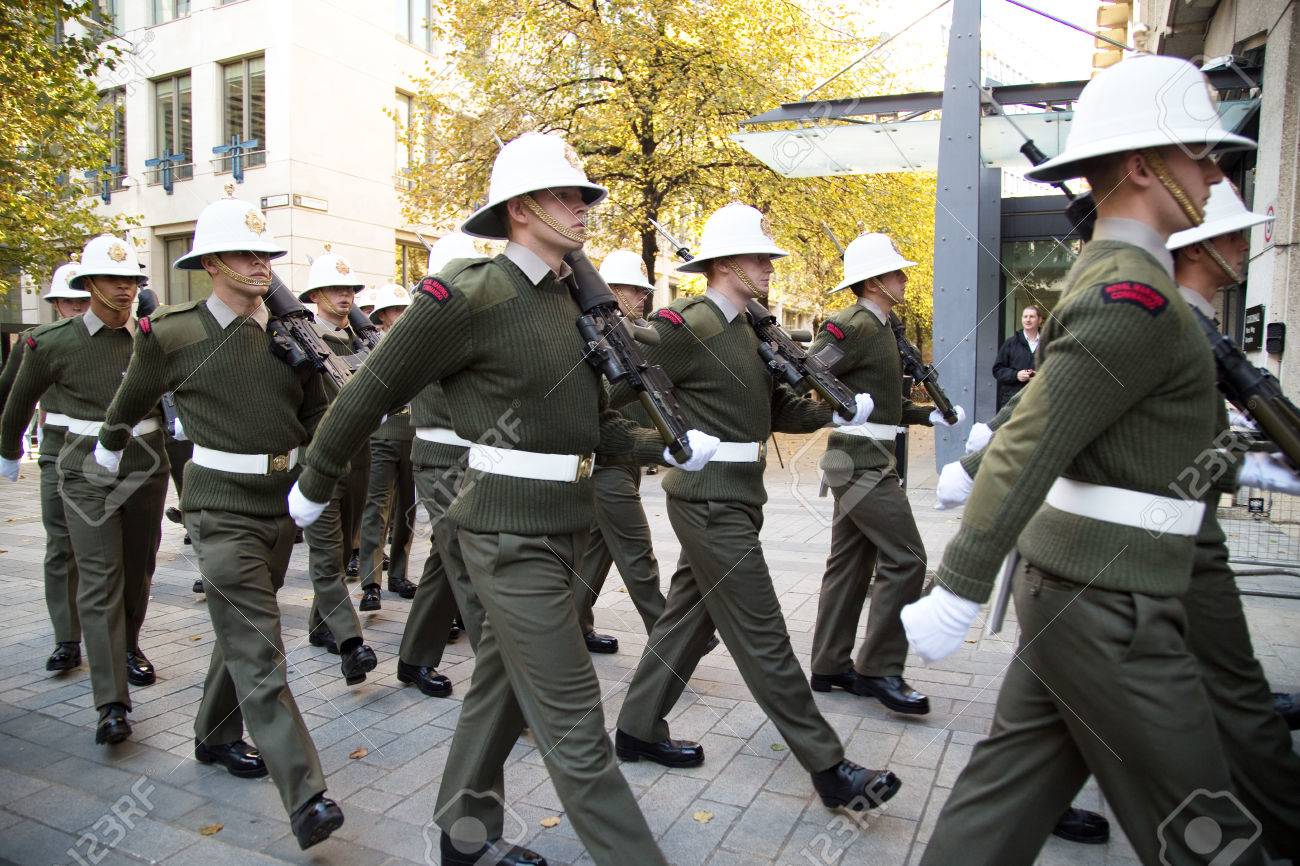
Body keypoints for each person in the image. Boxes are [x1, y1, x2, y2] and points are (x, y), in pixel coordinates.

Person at [289, 132, 719, 866]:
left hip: (567, 524)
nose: (583, 210)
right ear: (520, 209)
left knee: (501, 685)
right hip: (503, 534)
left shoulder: (574, 305)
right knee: (575, 721)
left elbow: (591, 430)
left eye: (585, 196)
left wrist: (667, 447)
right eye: (565, 196)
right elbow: (372, 387)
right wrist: (316, 477)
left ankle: (464, 836)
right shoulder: (466, 294)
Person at [900, 55, 1272, 865]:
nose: (1215, 175)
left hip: (1090, 590)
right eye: (1198, 156)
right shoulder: (1130, 296)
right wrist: (958, 586)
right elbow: (1033, 439)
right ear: (1144, 168)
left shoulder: (1125, 284)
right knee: (1211, 836)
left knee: (1003, 802)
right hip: (1114, 608)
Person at [611, 203, 903, 816]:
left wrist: (834, 409)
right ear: (722, 264)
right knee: (764, 633)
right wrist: (666, 442)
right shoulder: (687, 325)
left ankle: (638, 728)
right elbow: (616, 392)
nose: (770, 265)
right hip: (708, 500)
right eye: (758, 256)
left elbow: (779, 414)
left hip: (740, 497)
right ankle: (830, 767)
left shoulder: (749, 329)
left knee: (691, 616)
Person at [95, 189, 343, 849]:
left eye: (265, 252)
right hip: (218, 507)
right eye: (243, 253)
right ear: (210, 262)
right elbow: (131, 398)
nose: (260, 264)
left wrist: (321, 466)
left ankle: (214, 733)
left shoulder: (295, 331)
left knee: (242, 631)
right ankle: (307, 793)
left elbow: (323, 412)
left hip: (283, 503)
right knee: (262, 645)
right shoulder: (171, 333)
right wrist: (108, 444)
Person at [0, 235, 170, 745]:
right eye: (114, 280)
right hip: (83, 465)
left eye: (133, 280)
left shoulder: (153, 338)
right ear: (88, 284)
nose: (125, 288)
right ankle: (111, 701)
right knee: (99, 577)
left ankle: (128, 646)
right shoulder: (52, 343)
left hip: (145, 462)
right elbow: (16, 403)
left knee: (139, 568)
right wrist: (9, 453)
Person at [807, 232, 964, 718]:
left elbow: (884, 403)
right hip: (857, 460)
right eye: (896, 271)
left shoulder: (885, 326)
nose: (904, 277)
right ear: (874, 281)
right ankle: (879, 668)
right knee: (908, 557)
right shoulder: (851, 324)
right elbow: (811, 371)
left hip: (869, 455)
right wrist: (843, 406)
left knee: (850, 563)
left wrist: (923, 414)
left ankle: (831, 664)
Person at [395, 231, 485, 701]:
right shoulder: (429, 320)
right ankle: (508, 688)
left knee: (445, 563)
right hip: (442, 458)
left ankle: (414, 658)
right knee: (471, 567)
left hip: (475, 454)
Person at [573, 249, 667, 653]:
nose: (643, 297)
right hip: (606, 462)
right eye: (634, 290)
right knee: (636, 553)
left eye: (645, 291)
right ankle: (669, 636)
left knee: (597, 554)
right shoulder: (593, 335)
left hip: (626, 459)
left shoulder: (630, 332)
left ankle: (572, 627)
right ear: (610, 290)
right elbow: (602, 398)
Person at [0, 261, 91, 673]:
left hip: (117, 453)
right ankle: (66, 638)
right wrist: (9, 447)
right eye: (71, 302)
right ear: (56, 306)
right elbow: (10, 392)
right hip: (58, 449)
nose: (79, 308)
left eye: (84, 300)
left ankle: (124, 645)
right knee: (62, 547)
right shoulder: (38, 342)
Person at [297, 246, 377, 682]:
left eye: (348, 288)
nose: (344, 295)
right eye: (334, 288)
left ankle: (320, 625)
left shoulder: (359, 341)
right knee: (327, 556)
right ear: (315, 294)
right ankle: (351, 643)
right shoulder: (302, 341)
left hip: (359, 456)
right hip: (319, 460)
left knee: (344, 548)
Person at [355, 283, 418, 607]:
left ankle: (399, 574)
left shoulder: (421, 344)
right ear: (382, 315)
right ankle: (371, 581)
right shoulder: (369, 345)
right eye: (396, 310)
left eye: (406, 308)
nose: (402, 315)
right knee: (376, 510)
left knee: (407, 509)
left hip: (414, 435)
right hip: (381, 438)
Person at [991, 304, 1043, 409]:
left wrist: (1039, 376)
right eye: (1025, 316)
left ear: (1040, 320)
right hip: (1013, 402)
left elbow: (1054, 369)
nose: (1028, 320)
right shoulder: (1010, 343)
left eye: (1032, 316)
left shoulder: (1047, 343)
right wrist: (1016, 375)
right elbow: (997, 370)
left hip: (1039, 399)